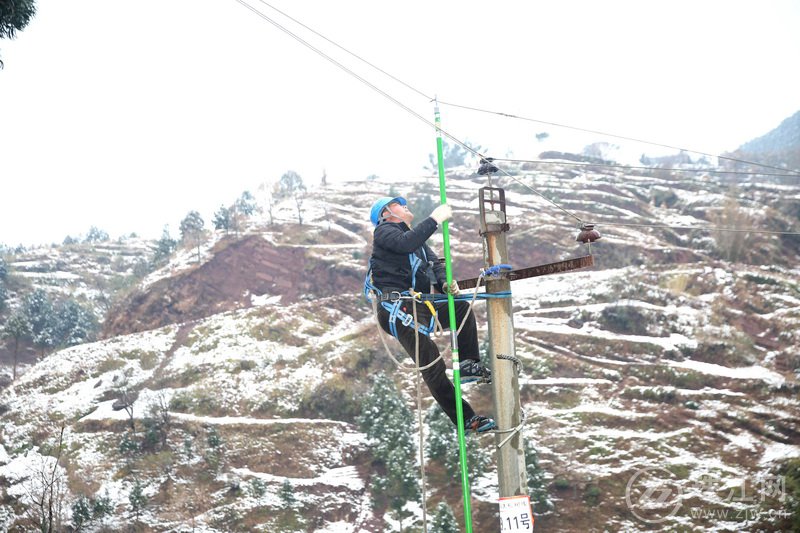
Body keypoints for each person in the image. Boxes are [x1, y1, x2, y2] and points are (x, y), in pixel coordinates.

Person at [366, 195, 496, 433]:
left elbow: (434, 266)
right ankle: (465, 419)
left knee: (460, 309)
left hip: (420, 304)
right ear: (386, 214)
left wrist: (445, 283)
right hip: (397, 307)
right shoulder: (384, 232)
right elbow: (405, 243)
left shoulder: (420, 247)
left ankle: (469, 363)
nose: (404, 205)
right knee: (432, 362)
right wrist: (434, 220)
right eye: (397, 204)